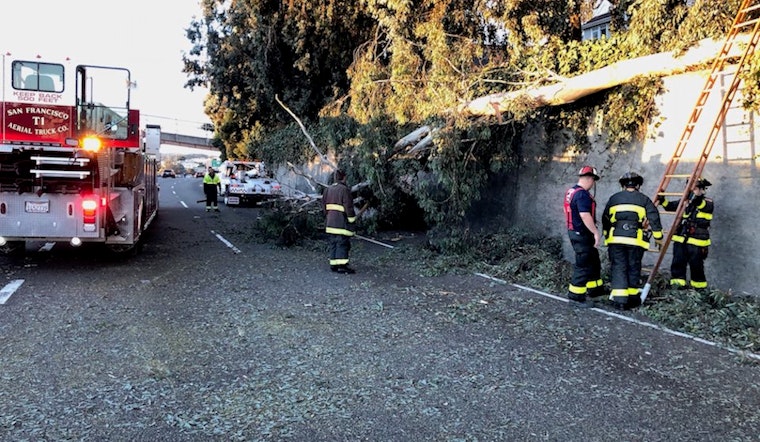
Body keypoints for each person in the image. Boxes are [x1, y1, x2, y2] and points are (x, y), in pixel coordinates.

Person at [602, 172, 663, 310]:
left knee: (618, 267)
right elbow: (654, 218)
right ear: (638, 185)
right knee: (633, 266)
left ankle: (619, 300)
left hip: (616, 239)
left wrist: (606, 235)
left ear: (623, 185)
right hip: (636, 240)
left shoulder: (614, 198)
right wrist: (658, 238)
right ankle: (632, 298)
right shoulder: (644, 199)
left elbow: (605, 219)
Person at [656, 177, 714, 290]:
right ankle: (677, 288)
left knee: (696, 266)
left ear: (702, 190)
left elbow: (699, 203)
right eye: (691, 188)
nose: (693, 190)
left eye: (696, 188)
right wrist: (662, 200)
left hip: (697, 241)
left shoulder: (708, 202)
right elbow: (670, 207)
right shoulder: (684, 201)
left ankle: (699, 290)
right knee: (677, 263)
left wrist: (693, 195)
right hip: (681, 239)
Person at [563, 165, 604, 306]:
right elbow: (584, 215)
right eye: (593, 180)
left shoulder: (572, 191)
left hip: (575, 231)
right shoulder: (582, 194)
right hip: (582, 234)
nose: (593, 184)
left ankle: (595, 289)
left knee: (593, 260)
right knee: (584, 263)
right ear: (589, 178)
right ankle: (576, 294)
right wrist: (595, 232)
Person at [322, 169, 357, 274]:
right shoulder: (344, 190)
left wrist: (328, 217)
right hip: (341, 222)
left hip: (330, 222)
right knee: (342, 243)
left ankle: (333, 264)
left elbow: (323, 206)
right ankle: (342, 266)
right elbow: (348, 207)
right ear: (344, 177)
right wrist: (352, 220)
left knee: (333, 243)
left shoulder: (328, 189)